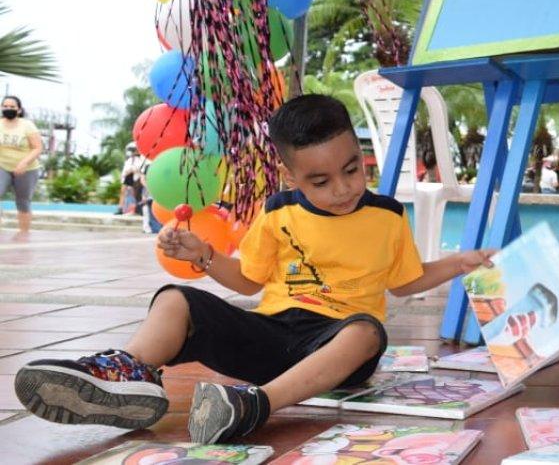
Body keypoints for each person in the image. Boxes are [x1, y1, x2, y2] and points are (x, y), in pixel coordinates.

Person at [13, 94, 494, 444]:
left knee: (368, 331)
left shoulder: (387, 215)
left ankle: (254, 405)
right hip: (272, 335)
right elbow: (248, 281)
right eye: (320, 181)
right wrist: (202, 255)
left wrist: (459, 262)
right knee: (175, 299)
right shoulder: (279, 211)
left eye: (352, 170)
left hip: (338, 348)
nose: (343, 189)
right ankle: (127, 372)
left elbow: (405, 282)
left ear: (360, 155)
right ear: (291, 176)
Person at [0, 95, 43, 238]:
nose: (8, 109)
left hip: (27, 169)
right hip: (3, 166)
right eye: (5, 106)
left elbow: (38, 148)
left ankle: (24, 234)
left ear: (19, 110)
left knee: (23, 201)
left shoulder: (27, 125)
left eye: (12, 107)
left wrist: (24, 163)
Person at [118, 143, 146, 215]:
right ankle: (120, 208)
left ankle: (138, 209)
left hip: (137, 177)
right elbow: (125, 170)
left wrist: (132, 170)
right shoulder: (129, 160)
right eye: (133, 150)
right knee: (122, 192)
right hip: (127, 177)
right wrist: (124, 175)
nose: (134, 152)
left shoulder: (141, 159)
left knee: (136, 194)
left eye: (135, 150)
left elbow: (141, 169)